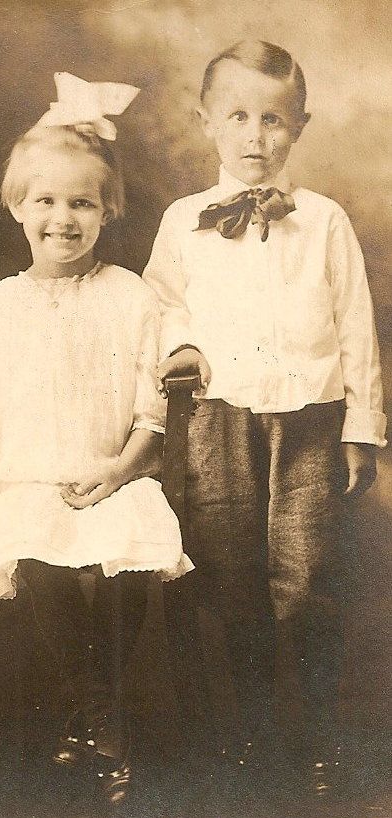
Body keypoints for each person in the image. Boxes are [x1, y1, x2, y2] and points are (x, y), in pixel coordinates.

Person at [143, 40, 387, 798]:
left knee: (306, 575)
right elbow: (158, 306)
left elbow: (356, 327)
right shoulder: (184, 220)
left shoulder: (323, 221)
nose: (255, 136)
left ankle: (312, 735)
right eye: (238, 117)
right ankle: (248, 734)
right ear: (206, 124)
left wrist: (360, 428)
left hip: (309, 419)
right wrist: (181, 346)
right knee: (226, 576)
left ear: (298, 127)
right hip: (217, 420)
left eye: (273, 120)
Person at [0, 73, 193, 804]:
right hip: (29, 485)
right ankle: (95, 715)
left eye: (81, 202)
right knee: (39, 559)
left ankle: (91, 718)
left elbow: (154, 414)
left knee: (132, 561)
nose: (63, 218)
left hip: (114, 475)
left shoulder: (132, 298)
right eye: (45, 201)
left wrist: (118, 473)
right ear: (17, 206)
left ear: (107, 209)